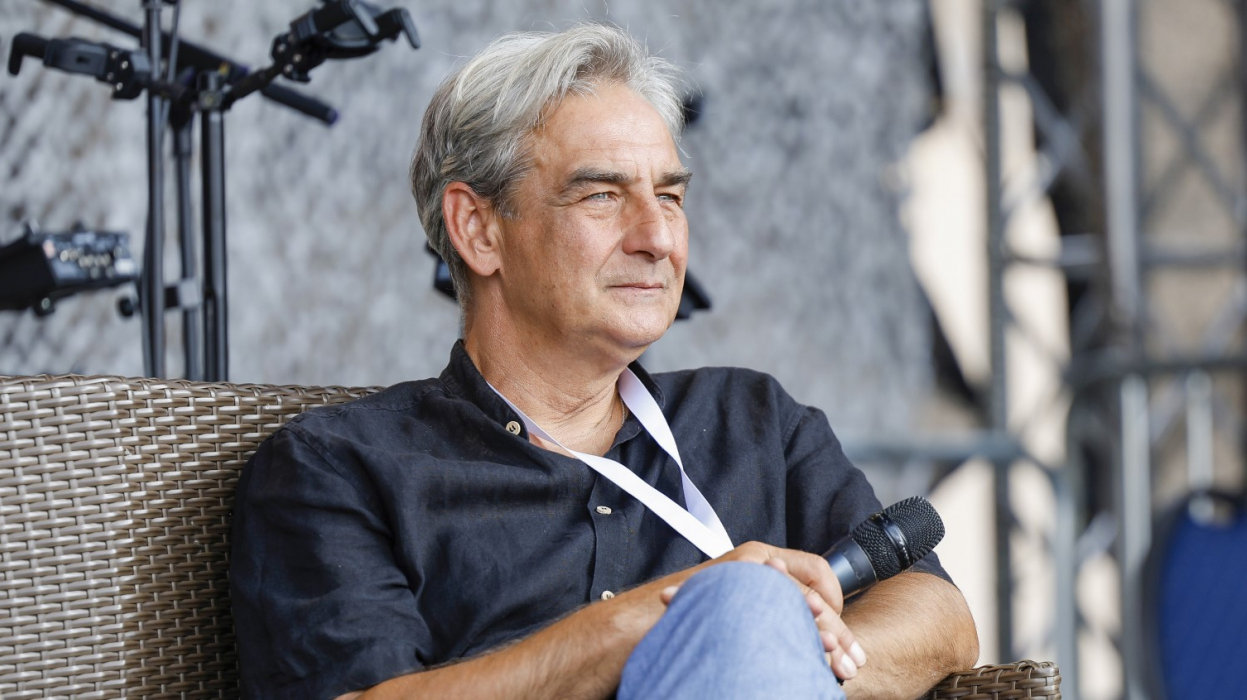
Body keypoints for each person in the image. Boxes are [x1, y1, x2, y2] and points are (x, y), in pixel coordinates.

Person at [230, 22, 979, 700]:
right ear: (479, 230)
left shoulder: (753, 422)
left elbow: (938, 615)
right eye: (601, 196)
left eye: (670, 197)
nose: (658, 237)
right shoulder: (339, 468)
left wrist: (768, 651)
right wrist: (662, 622)